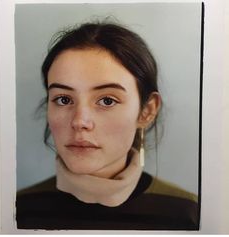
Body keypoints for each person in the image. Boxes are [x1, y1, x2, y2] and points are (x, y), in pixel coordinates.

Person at [16, 21, 199, 230]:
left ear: (147, 111)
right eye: (64, 100)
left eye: (107, 101)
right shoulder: (17, 210)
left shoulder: (187, 214)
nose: (79, 122)